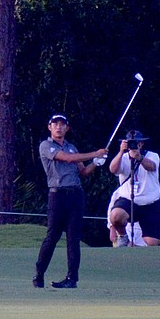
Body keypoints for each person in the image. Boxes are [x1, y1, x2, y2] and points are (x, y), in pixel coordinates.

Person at [35, 113, 107, 288]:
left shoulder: (72, 147)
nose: (58, 127)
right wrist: (94, 153)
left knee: (73, 238)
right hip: (57, 195)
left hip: (75, 195)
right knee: (52, 236)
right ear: (49, 127)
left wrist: (96, 162)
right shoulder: (46, 145)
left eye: (62, 124)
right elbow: (66, 158)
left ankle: (72, 278)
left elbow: (83, 172)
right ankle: (39, 274)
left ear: (67, 128)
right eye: (55, 124)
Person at [108, 130, 160, 247]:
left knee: (153, 242)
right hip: (129, 199)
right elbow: (113, 170)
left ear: (141, 144)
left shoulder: (153, 155)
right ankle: (123, 236)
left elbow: (152, 167)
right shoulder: (123, 158)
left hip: (150, 201)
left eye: (137, 143)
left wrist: (139, 157)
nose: (134, 145)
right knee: (116, 215)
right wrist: (121, 152)